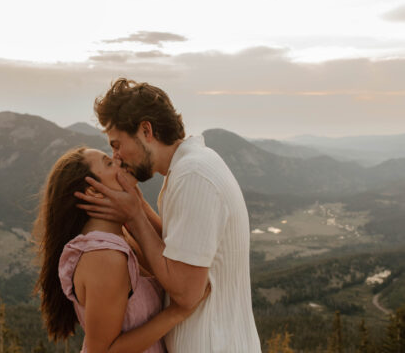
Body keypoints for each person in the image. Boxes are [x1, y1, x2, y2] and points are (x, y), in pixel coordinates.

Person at [75, 78, 261, 352]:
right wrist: (136, 206)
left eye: (117, 144)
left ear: (146, 130)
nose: (116, 156)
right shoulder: (189, 168)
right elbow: (180, 252)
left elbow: (186, 293)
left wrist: (136, 216)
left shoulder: (193, 176)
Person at [32, 146, 209, 353]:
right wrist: (177, 312)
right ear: (93, 191)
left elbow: (170, 258)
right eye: (109, 163)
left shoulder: (121, 238)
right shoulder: (104, 257)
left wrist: (137, 206)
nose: (118, 160)